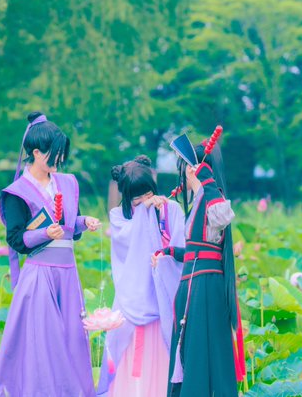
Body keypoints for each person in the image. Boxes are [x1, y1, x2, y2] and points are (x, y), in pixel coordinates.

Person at [0, 111, 101, 397]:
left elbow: (71, 226)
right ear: (36, 153)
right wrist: (44, 234)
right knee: (43, 343)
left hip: (68, 276)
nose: (59, 160)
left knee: (72, 339)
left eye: (61, 155)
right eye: (54, 154)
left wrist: (85, 222)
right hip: (40, 276)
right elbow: (16, 239)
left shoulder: (67, 183)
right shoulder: (18, 192)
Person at [154, 136, 246, 397]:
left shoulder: (211, 197)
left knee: (202, 352)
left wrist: (205, 181)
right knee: (190, 349)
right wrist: (170, 252)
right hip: (194, 284)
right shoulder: (198, 200)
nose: (183, 175)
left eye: (184, 168)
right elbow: (198, 250)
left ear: (193, 169)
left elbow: (223, 216)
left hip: (205, 287)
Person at [96, 155, 185, 397]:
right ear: (127, 196)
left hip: (161, 300)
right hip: (131, 301)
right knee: (125, 359)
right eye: (138, 198)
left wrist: (164, 258)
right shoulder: (118, 216)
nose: (145, 200)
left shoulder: (171, 209)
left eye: (148, 193)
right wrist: (143, 213)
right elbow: (128, 251)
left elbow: (181, 250)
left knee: (162, 359)